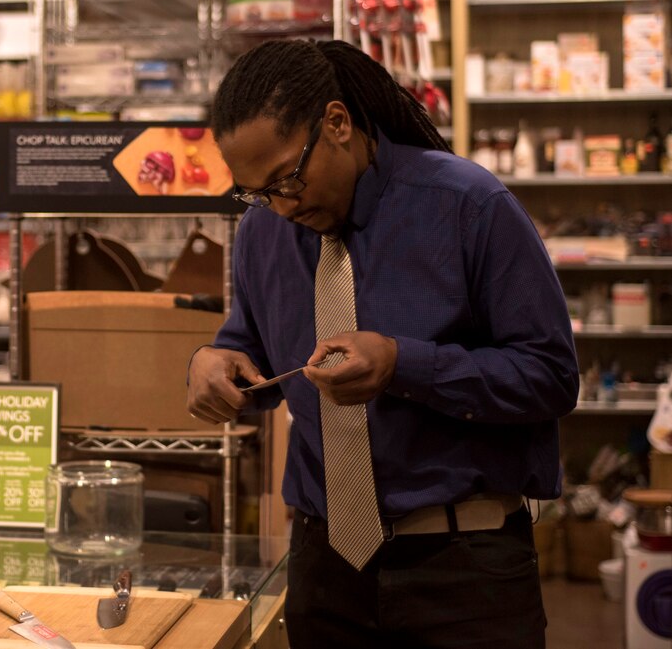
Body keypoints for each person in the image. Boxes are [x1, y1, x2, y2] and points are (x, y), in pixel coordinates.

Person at [186, 38, 579, 649]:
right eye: (257, 191)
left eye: (289, 178)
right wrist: (213, 363)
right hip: (325, 566)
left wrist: (403, 364)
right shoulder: (264, 231)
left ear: (338, 124)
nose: (282, 205)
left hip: (463, 572)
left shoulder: (469, 206)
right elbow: (252, 345)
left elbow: (552, 376)